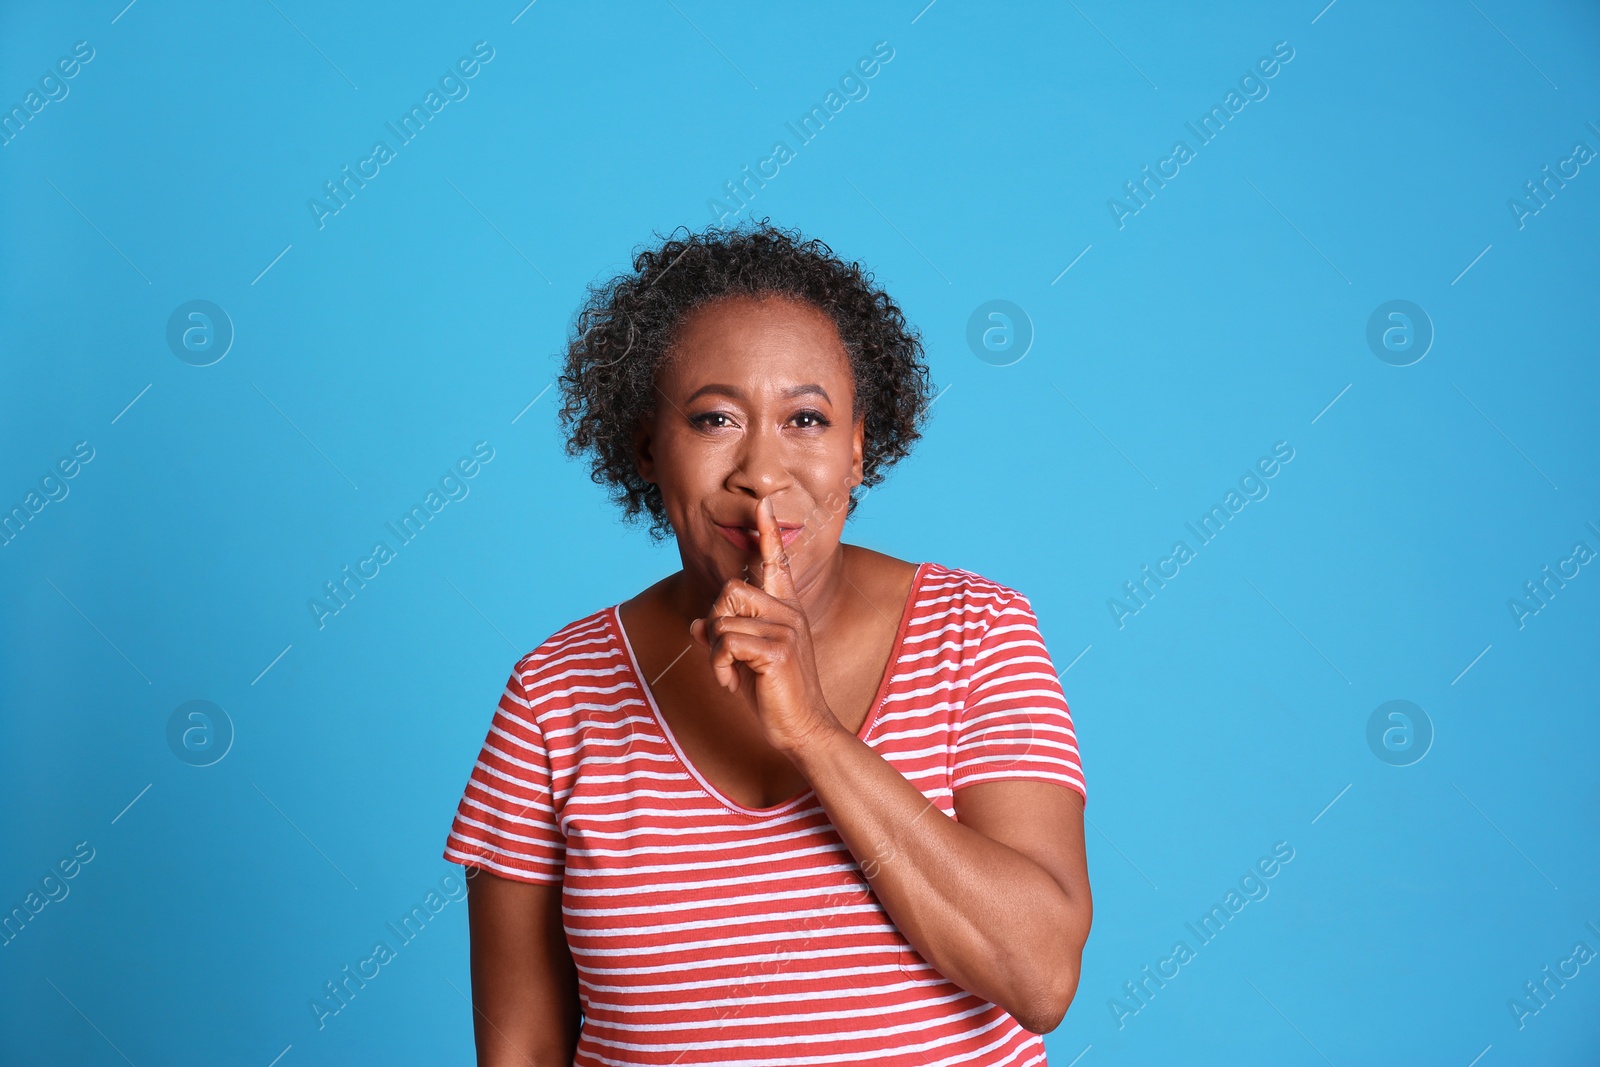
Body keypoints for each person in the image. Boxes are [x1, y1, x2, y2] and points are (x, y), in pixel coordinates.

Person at [441, 220, 1091, 1065]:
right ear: (647, 447)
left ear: (859, 448)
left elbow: (1040, 977)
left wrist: (814, 732)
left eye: (807, 419)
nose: (762, 471)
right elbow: (521, 1046)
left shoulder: (976, 632)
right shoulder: (554, 695)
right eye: (715, 418)